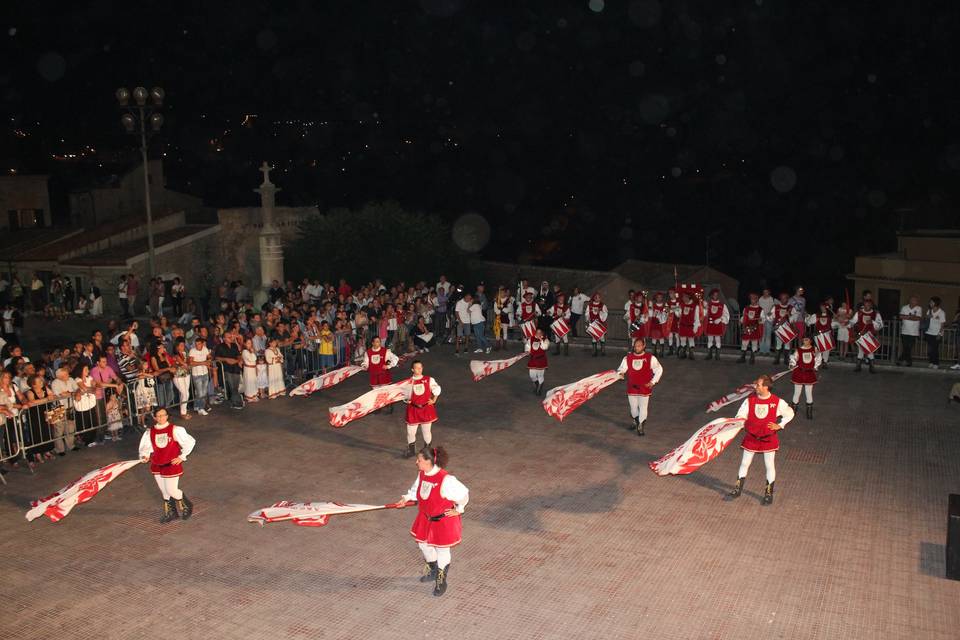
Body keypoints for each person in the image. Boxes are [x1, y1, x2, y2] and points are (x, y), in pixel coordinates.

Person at [395, 446, 469, 597]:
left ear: (429, 461)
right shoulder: (422, 474)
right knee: (423, 544)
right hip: (426, 517)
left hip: (443, 521)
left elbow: (463, 494)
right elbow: (416, 491)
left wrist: (459, 509)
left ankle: (441, 580)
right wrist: (406, 498)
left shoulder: (446, 480)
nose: (417, 462)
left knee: (442, 549)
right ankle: (433, 567)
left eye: (420, 460)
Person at [726, 375, 795, 505]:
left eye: (758, 385)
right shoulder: (750, 401)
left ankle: (768, 494)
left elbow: (790, 413)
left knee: (769, 465)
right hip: (751, 437)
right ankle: (737, 489)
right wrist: (741, 422)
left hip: (768, 438)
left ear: (766, 387)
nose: (756, 387)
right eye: (756, 384)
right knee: (744, 463)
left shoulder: (777, 402)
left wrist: (780, 425)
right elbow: (740, 414)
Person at [138, 408, 197, 523]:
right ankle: (171, 512)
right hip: (157, 465)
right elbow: (145, 447)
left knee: (171, 490)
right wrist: (144, 456)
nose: (161, 418)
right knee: (164, 491)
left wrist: (181, 456)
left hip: (171, 465)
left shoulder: (175, 430)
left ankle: (187, 505)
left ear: (167, 416)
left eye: (163, 415)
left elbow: (189, 442)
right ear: (154, 417)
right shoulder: (150, 432)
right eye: (158, 416)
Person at [616, 337, 663, 436]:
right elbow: (621, 369)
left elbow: (659, 369)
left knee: (643, 407)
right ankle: (636, 420)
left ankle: (640, 426)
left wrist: (653, 382)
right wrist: (621, 374)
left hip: (645, 387)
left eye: (639, 346)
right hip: (631, 387)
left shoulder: (650, 358)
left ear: (644, 346)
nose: (636, 348)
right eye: (635, 346)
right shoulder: (627, 358)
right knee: (633, 409)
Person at [403, 360, 440, 458]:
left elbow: (437, 389)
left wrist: (434, 400)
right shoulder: (409, 382)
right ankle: (411, 451)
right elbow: (405, 396)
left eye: (420, 367)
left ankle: (427, 451)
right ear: (412, 369)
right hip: (413, 410)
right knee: (410, 432)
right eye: (416, 367)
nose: (419, 369)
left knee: (426, 431)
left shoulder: (429, 379)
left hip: (426, 409)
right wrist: (407, 400)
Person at [789, 337, 821, 419]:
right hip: (799, 373)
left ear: (810, 340)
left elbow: (818, 358)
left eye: (807, 339)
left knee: (809, 393)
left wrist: (816, 366)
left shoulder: (815, 349)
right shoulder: (799, 350)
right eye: (803, 340)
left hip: (809, 373)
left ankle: (809, 412)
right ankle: (793, 412)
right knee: (797, 393)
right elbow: (793, 357)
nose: (805, 341)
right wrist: (792, 364)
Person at [850, 300, 883, 373]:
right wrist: (849, 322)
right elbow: (852, 322)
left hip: (870, 335)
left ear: (871, 305)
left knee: (869, 350)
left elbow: (880, 325)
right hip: (861, 334)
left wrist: (872, 322)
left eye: (868, 305)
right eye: (865, 305)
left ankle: (869, 367)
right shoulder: (859, 313)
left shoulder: (876, 314)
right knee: (861, 350)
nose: (866, 306)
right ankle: (861, 366)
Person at [215, 333, 244, 409]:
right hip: (227, 368)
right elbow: (217, 358)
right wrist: (226, 359)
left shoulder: (234, 345)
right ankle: (237, 403)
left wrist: (239, 360)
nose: (231, 338)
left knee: (235, 386)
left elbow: (238, 354)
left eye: (231, 337)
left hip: (235, 367)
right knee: (231, 386)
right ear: (224, 338)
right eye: (228, 337)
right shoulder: (220, 346)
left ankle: (236, 401)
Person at [188, 337, 212, 416]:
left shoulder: (205, 349)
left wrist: (209, 360)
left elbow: (209, 356)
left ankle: (196, 406)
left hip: (205, 373)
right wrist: (203, 363)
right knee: (200, 392)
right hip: (196, 374)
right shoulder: (192, 351)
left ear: (202, 344)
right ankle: (201, 408)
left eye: (199, 344)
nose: (197, 345)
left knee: (203, 392)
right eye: (196, 344)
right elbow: (191, 363)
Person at [703, 289, 730, 360]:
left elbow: (727, 315)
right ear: (711, 295)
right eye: (714, 295)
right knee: (709, 339)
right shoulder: (708, 304)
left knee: (718, 339)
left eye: (716, 295)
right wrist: (704, 308)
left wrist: (720, 319)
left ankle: (717, 355)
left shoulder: (722, 305)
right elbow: (703, 315)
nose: (715, 296)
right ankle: (709, 354)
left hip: (718, 325)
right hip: (710, 325)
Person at [806, 302, 834, 367]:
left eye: (824, 307)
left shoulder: (830, 316)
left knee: (826, 349)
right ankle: (816, 363)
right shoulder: (816, 315)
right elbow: (808, 323)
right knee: (818, 349)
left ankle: (825, 362)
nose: (823, 308)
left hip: (827, 335)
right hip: (818, 335)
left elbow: (833, 325)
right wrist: (807, 318)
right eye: (821, 307)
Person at [896, 296, 923, 367]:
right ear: (910, 301)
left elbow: (918, 318)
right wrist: (911, 317)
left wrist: (907, 317)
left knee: (909, 347)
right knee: (905, 346)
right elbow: (900, 316)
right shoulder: (904, 307)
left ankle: (901, 360)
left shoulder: (919, 308)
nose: (915, 302)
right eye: (913, 300)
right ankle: (908, 361)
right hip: (904, 331)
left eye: (916, 300)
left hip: (914, 332)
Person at [768, 292, 794, 365]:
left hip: (787, 329)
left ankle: (786, 359)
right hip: (778, 328)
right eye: (782, 298)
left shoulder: (791, 308)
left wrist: (790, 315)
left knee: (787, 344)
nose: (783, 299)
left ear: (787, 299)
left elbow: (793, 319)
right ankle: (777, 359)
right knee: (778, 344)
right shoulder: (775, 307)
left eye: (785, 298)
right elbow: (770, 318)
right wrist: (769, 316)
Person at [674, 291, 701, 360]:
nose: (683, 298)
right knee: (682, 339)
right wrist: (676, 310)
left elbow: (697, 317)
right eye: (682, 297)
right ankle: (683, 353)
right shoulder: (681, 305)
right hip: (682, 325)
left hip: (690, 326)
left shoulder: (695, 306)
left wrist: (695, 327)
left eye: (684, 297)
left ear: (688, 297)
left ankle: (691, 354)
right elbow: (678, 315)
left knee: (691, 339)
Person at [171, 341, 193, 420]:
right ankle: (183, 413)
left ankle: (184, 411)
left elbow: (188, 363)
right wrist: (187, 364)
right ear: (177, 347)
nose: (183, 346)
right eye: (181, 345)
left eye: (183, 345)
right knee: (185, 393)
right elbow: (184, 364)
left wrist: (188, 363)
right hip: (178, 375)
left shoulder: (184, 353)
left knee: (185, 393)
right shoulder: (175, 356)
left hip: (186, 374)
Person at [525, 328, 550, 395]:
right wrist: (527, 351)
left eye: (540, 333)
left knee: (540, 376)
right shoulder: (531, 338)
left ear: (542, 333)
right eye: (537, 332)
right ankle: (537, 385)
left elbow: (545, 347)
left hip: (541, 360)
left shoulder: (546, 340)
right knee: (532, 376)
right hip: (533, 360)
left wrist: (541, 340)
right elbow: (527, 346)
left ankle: (539, 390)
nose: (538, 334)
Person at [925, 297, 946, 370]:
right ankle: (931, 362)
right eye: (930, 302)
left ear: (936, 303)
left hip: (937, 333)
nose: (930, 303)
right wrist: (928, 317)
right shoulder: (929, 310)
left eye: (931, 302)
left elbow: (942, 325)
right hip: (929, 332)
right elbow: (926, 319)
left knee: (935, 349)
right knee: (930, 349)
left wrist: (939, 334)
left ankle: (936, 363)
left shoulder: (941, 312)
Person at [585, 292, 609, 357]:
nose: (597, 298)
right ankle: (594, 351)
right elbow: (587, 314)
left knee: (602, 337)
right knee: (594, 337)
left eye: (599, 297)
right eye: (596, 297)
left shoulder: (603, 305)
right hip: (593, 324)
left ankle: (603, 351)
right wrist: (588, 319)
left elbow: (606, 313)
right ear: (594, 298)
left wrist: (600, 312)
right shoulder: (590, 305)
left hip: (600, 324)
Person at [241, 338, 260, 403]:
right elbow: (252, 359)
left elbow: (255, 360)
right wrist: (252, 352)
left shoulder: (251, 351)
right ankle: (249, 396)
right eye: (248, 343)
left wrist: (256, 368)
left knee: (253, 382)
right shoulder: (244, 351)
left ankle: (254, 395)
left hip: (253, 369)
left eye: (251, 343)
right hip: (248, 370)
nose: (250, 345)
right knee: (249, 383)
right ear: (245, 344)